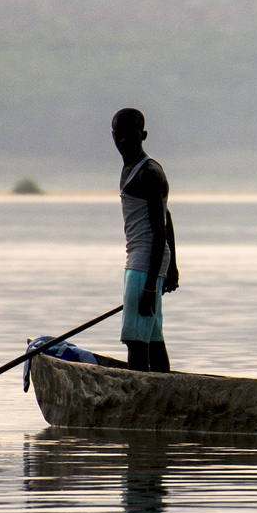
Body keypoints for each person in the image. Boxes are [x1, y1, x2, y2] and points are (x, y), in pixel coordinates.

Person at [113, 108, 179, 372]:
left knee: (136, 341)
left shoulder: (149, 172)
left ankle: (137, 392)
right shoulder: (130, 168)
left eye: (130, 134)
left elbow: (160, 229)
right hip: (148, 262)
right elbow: (167, 216)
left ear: (143, 135)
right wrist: (171, 267)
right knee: (152, 338)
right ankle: (166, 389)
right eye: (118, 134)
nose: (123, 140)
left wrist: (151, 285)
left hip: (144, 262)